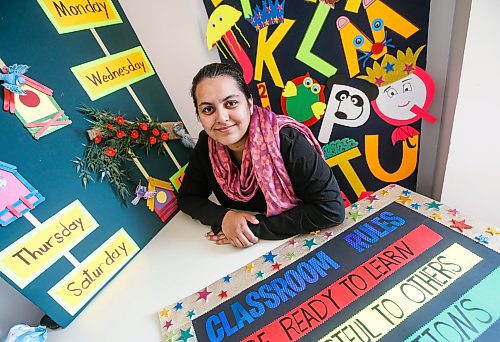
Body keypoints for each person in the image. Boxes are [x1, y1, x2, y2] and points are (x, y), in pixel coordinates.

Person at [178, 63, 345, 248]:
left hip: (303, 244)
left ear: (249, 104)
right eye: (208, 109)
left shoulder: (287, 140)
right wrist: (224, 218)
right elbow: (188, 198)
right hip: (242, 252)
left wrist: (252, 228)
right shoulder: (207, 145)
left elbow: (330, 210)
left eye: (231, 103)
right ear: (199, 116)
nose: (222, 118)